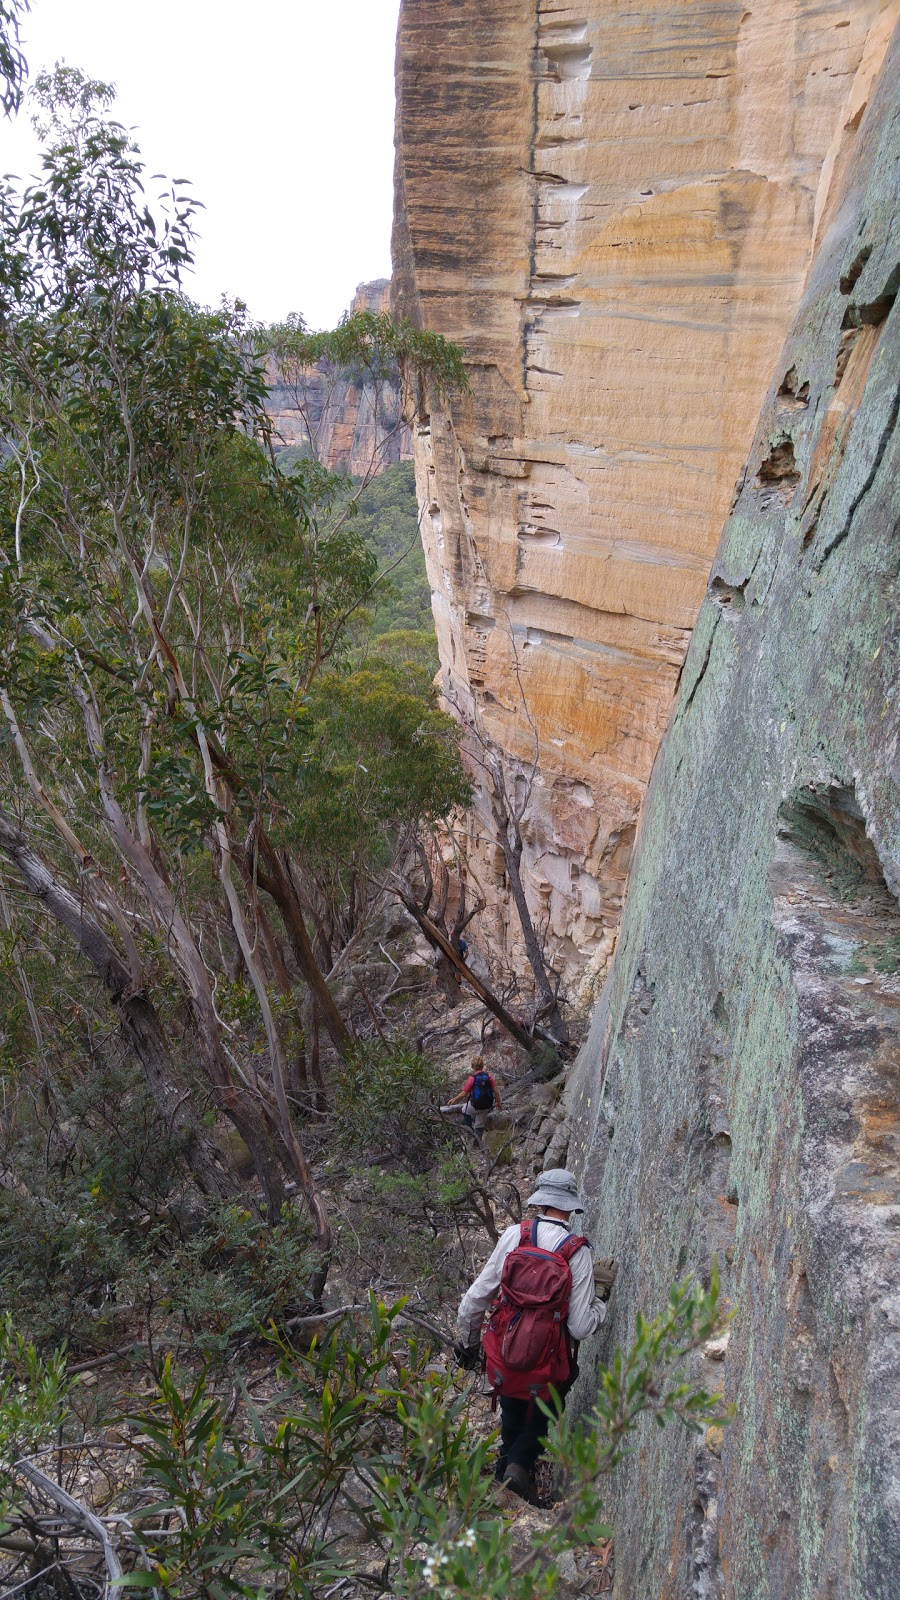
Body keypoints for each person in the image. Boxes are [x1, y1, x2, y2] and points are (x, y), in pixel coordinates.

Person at [454, 1167, 617, 1502]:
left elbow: (476, 1297)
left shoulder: (516, 1235)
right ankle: (516, 1469)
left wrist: (468, 1344)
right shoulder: (577, 1252)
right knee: (544, 1412)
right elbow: (580, 1327)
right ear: (571, 1207)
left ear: (541, 1201)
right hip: (546, 1357)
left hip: (504, 1348)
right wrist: (600, 1300)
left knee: (512, 1407)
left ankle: (507, 1480)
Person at [445, 1056, 502, 1140]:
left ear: (473, 1066)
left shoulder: (472, 1078)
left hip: (476, 1105)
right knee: (480, 1124)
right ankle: (477, 1144)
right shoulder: (489, 1076)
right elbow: (496, 1091)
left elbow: (464, 1093)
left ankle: (469, 1131)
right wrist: (498, 1102)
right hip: (487, 1105)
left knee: (464, 1109)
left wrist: (455, 1099)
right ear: (482, 1065)